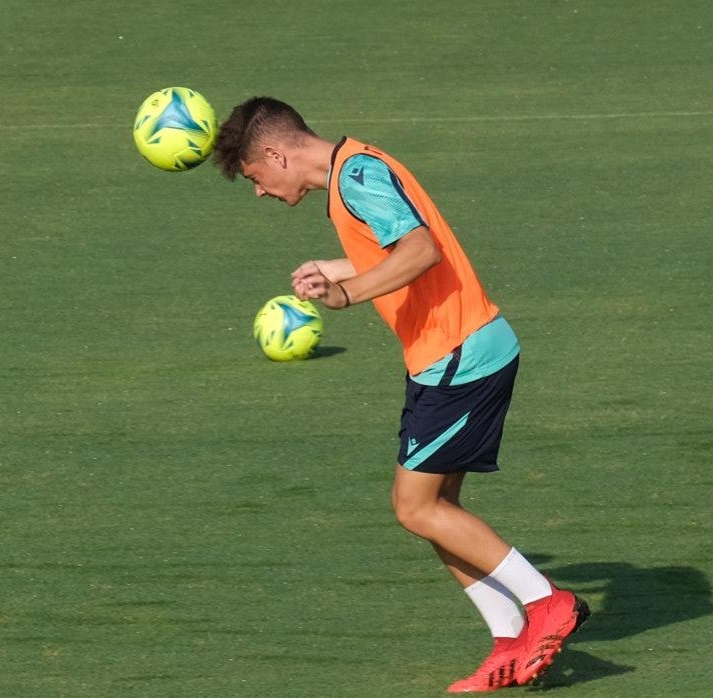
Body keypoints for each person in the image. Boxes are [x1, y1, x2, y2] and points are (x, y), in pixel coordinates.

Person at [211, 97, 589, 693]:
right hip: (446, 356)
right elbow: (399, 245)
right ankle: (509, 639)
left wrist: (349, 292)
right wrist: (337, 268)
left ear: (278, 154)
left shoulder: (357, 177)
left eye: (256, 177)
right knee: (438, 515)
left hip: (458, 357)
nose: (259, 192)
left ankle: (549, 603)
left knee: (415, 507)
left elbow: (421, 251)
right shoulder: (352, 173)